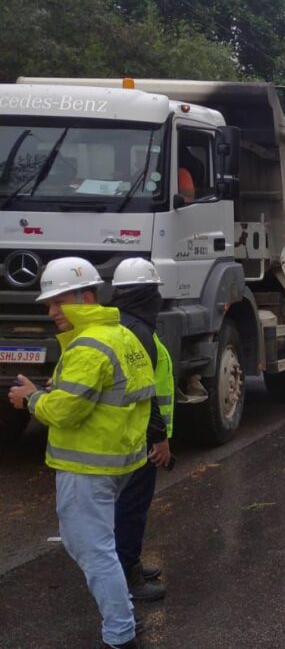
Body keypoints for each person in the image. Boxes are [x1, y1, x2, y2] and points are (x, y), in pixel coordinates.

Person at [7, 257, 155, 649]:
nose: (51, 311)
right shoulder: (121, 335)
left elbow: (64, 412)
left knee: (92, 549)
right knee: (97, 546)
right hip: (117, 459)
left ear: (86, 296)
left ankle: (120, 633)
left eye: (58, 301)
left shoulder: (88, 347)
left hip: (87, 464)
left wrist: (31, 398)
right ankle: (123, 616)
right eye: (48, 304)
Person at [109, 257, 174, 603]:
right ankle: (127, 575)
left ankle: (128, 562)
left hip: (127, 433)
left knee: (127, 505)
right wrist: (159, 438)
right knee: (132, 506)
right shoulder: (139, 334)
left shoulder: (121, 325)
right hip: (138, 438)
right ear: (147, 295)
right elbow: (144, 392)